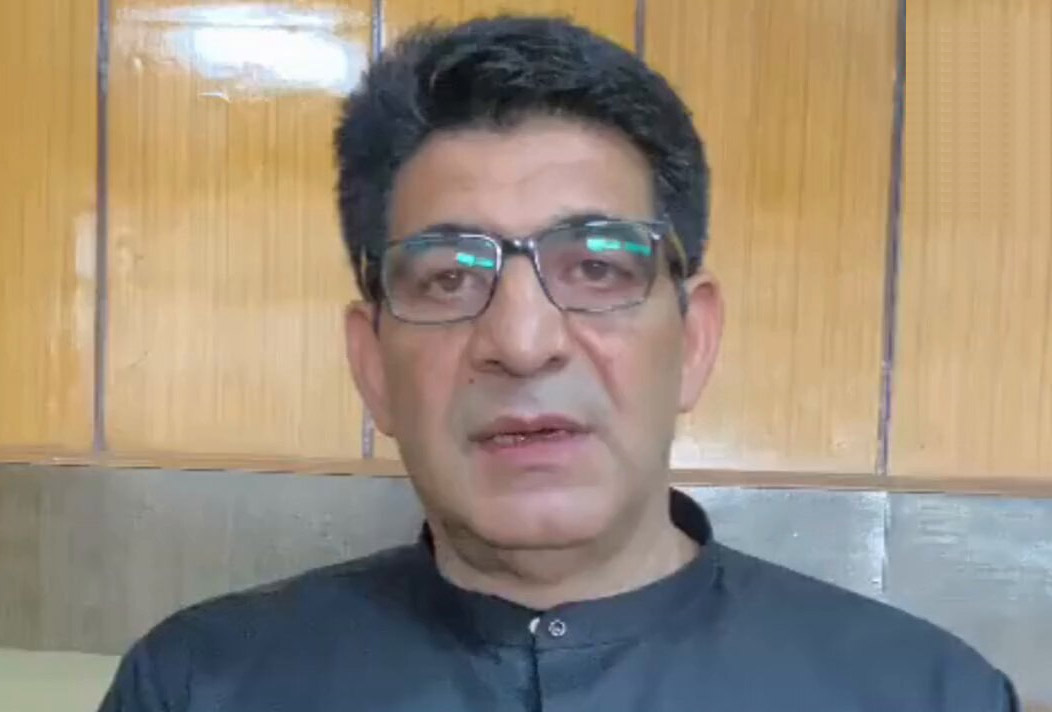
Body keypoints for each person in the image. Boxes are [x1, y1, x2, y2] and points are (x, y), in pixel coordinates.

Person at [99, 15, 1018, 712]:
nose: (523, 340)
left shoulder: (925, 693)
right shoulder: (197, 685)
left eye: (597, 267)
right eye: (450, 277)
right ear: (371, 365)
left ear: (694, 341)